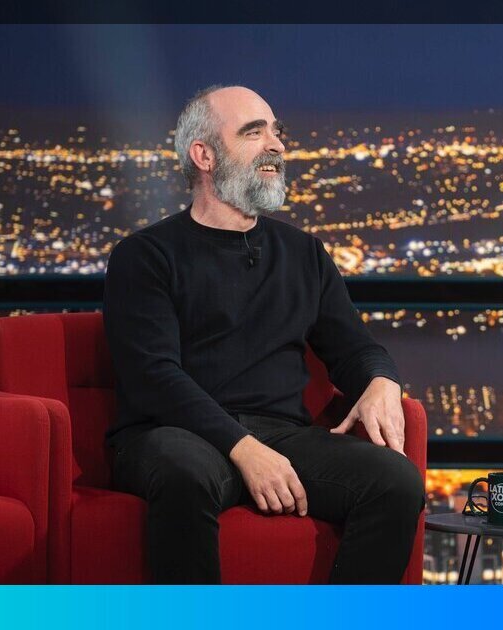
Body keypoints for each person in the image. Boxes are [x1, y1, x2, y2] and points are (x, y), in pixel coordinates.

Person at [103, 85, 423, 584]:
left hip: (281, 434)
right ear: (204, 155)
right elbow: (154, 377)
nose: (276, 144)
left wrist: (382, 379)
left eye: (277, 132)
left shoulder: (304, 253)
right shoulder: (145, 256)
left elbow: (355, 349)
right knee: (185, 474)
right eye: (254, 133)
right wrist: (244, 448)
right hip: (174, 433)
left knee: (396, 481)